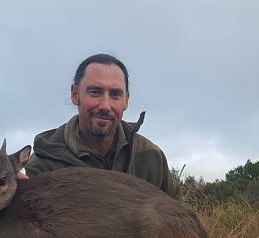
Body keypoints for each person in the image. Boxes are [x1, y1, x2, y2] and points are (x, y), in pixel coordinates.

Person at [25, 54, 180, 198]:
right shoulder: (43, 164)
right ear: (75, 94)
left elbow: (177, 219)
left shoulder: (150, 156)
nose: (105, 106)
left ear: (126, 100)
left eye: (115, 94)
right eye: (95, 92)